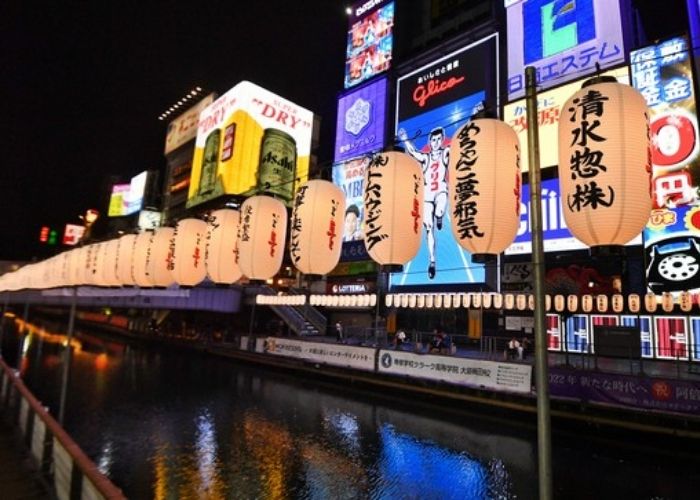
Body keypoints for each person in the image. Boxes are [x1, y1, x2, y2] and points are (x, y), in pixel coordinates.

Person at [398, 127, 449, 280]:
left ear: (442, 140)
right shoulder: (426, 157)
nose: (436, 142)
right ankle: (432, 261)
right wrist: (405, 138)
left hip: (440, 190)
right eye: (433, 140)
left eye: (439, 139)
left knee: (440, 210)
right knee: (428, 228)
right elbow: (413, 152)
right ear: (430, 141)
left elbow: (460, 145)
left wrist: (474, 116)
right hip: (427, 195)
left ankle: (439, 216)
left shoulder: (446, 153)